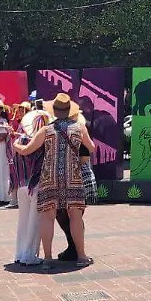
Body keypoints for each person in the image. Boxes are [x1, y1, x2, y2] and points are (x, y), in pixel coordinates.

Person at [34, 94, 95, 270]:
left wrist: (16, 146)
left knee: (48, 216)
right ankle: (81, 257)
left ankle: (47, 258)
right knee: (75, 216)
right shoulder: (79, 127)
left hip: (50, 177)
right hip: (73, 176)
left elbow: (28, 149)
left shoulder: (46, 130)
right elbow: (91, 148)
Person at [11, 102, 50, 266]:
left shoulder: (19, 139)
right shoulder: (43, 139)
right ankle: (29, 255)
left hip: (21, 183)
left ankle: (20, 253)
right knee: (34, 221)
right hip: (36, 184)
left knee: (23, 220)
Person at [56, 110, 95, 262]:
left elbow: (85, 155)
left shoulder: (80, 129)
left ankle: (76, 249)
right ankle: (74, 248)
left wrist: (69, 166)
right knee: (67, 216)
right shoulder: (64, 130)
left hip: (77, 177)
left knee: (73, 216)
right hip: (72, 177)